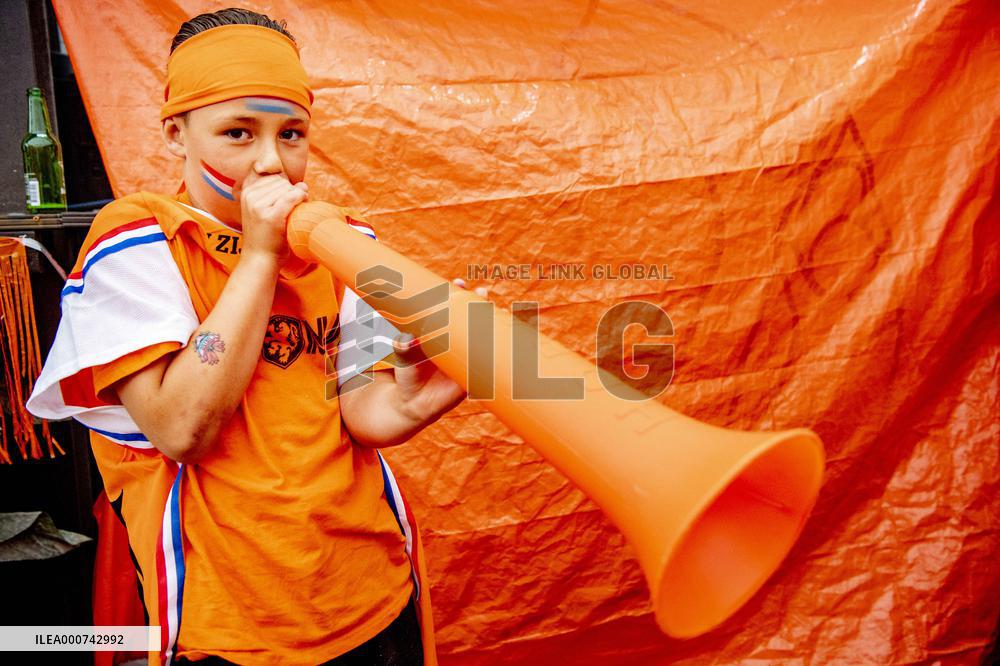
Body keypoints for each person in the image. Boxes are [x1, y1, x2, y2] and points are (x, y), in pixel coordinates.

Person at [27, 8, 468, 665]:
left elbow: (359, 413)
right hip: (230, 624)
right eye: (238, 132)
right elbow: (182, 429)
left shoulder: (349, 245)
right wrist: (261, 258)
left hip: (371, 592)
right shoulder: (137, 242)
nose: (272, 162)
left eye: (292, 134)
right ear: (176, 135)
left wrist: (412, 402)